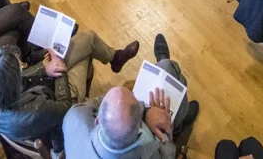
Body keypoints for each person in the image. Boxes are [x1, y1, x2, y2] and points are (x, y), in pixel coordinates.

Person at [0, 32, 141, 154]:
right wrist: (59, 68)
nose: (22, 68)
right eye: (19, 69)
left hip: (39, 93)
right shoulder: (34, 110)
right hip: (59, 112)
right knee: (85, 56)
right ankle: (113, 61)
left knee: (88, 38)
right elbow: (65, 107)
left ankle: (115, 57)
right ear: (12, 85)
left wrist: (44, 70)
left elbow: (22, 78)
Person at [62, 34, 199, 159]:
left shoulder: (74, 118)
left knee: (167, 75)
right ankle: (178, 124)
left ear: (98, 120)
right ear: (140, 125)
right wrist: (158, 122)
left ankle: (165, 65)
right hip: (159, 137)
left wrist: (145, 111)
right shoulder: (150, 153)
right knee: (169, 72)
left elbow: (99, 102)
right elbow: (168, 152)